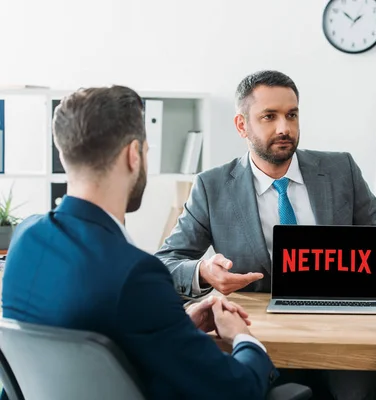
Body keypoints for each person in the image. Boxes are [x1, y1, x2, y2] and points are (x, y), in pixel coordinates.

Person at [2, 86, 278, 400]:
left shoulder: (25, 238)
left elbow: (85, 339)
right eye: (147, 151)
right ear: (133, 155)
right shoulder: (135, 274)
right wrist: (243, 338)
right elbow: (236, 390)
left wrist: (174, 324)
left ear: (63, 153)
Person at [155, 70, 376, 399]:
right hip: (261, 340)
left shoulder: (341, 170)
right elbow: (166, 261)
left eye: (292, 115)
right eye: (269, 117)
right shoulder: (212, 186)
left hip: (345, 337)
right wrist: (203, 271)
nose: (284, 128)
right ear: (242, 125)